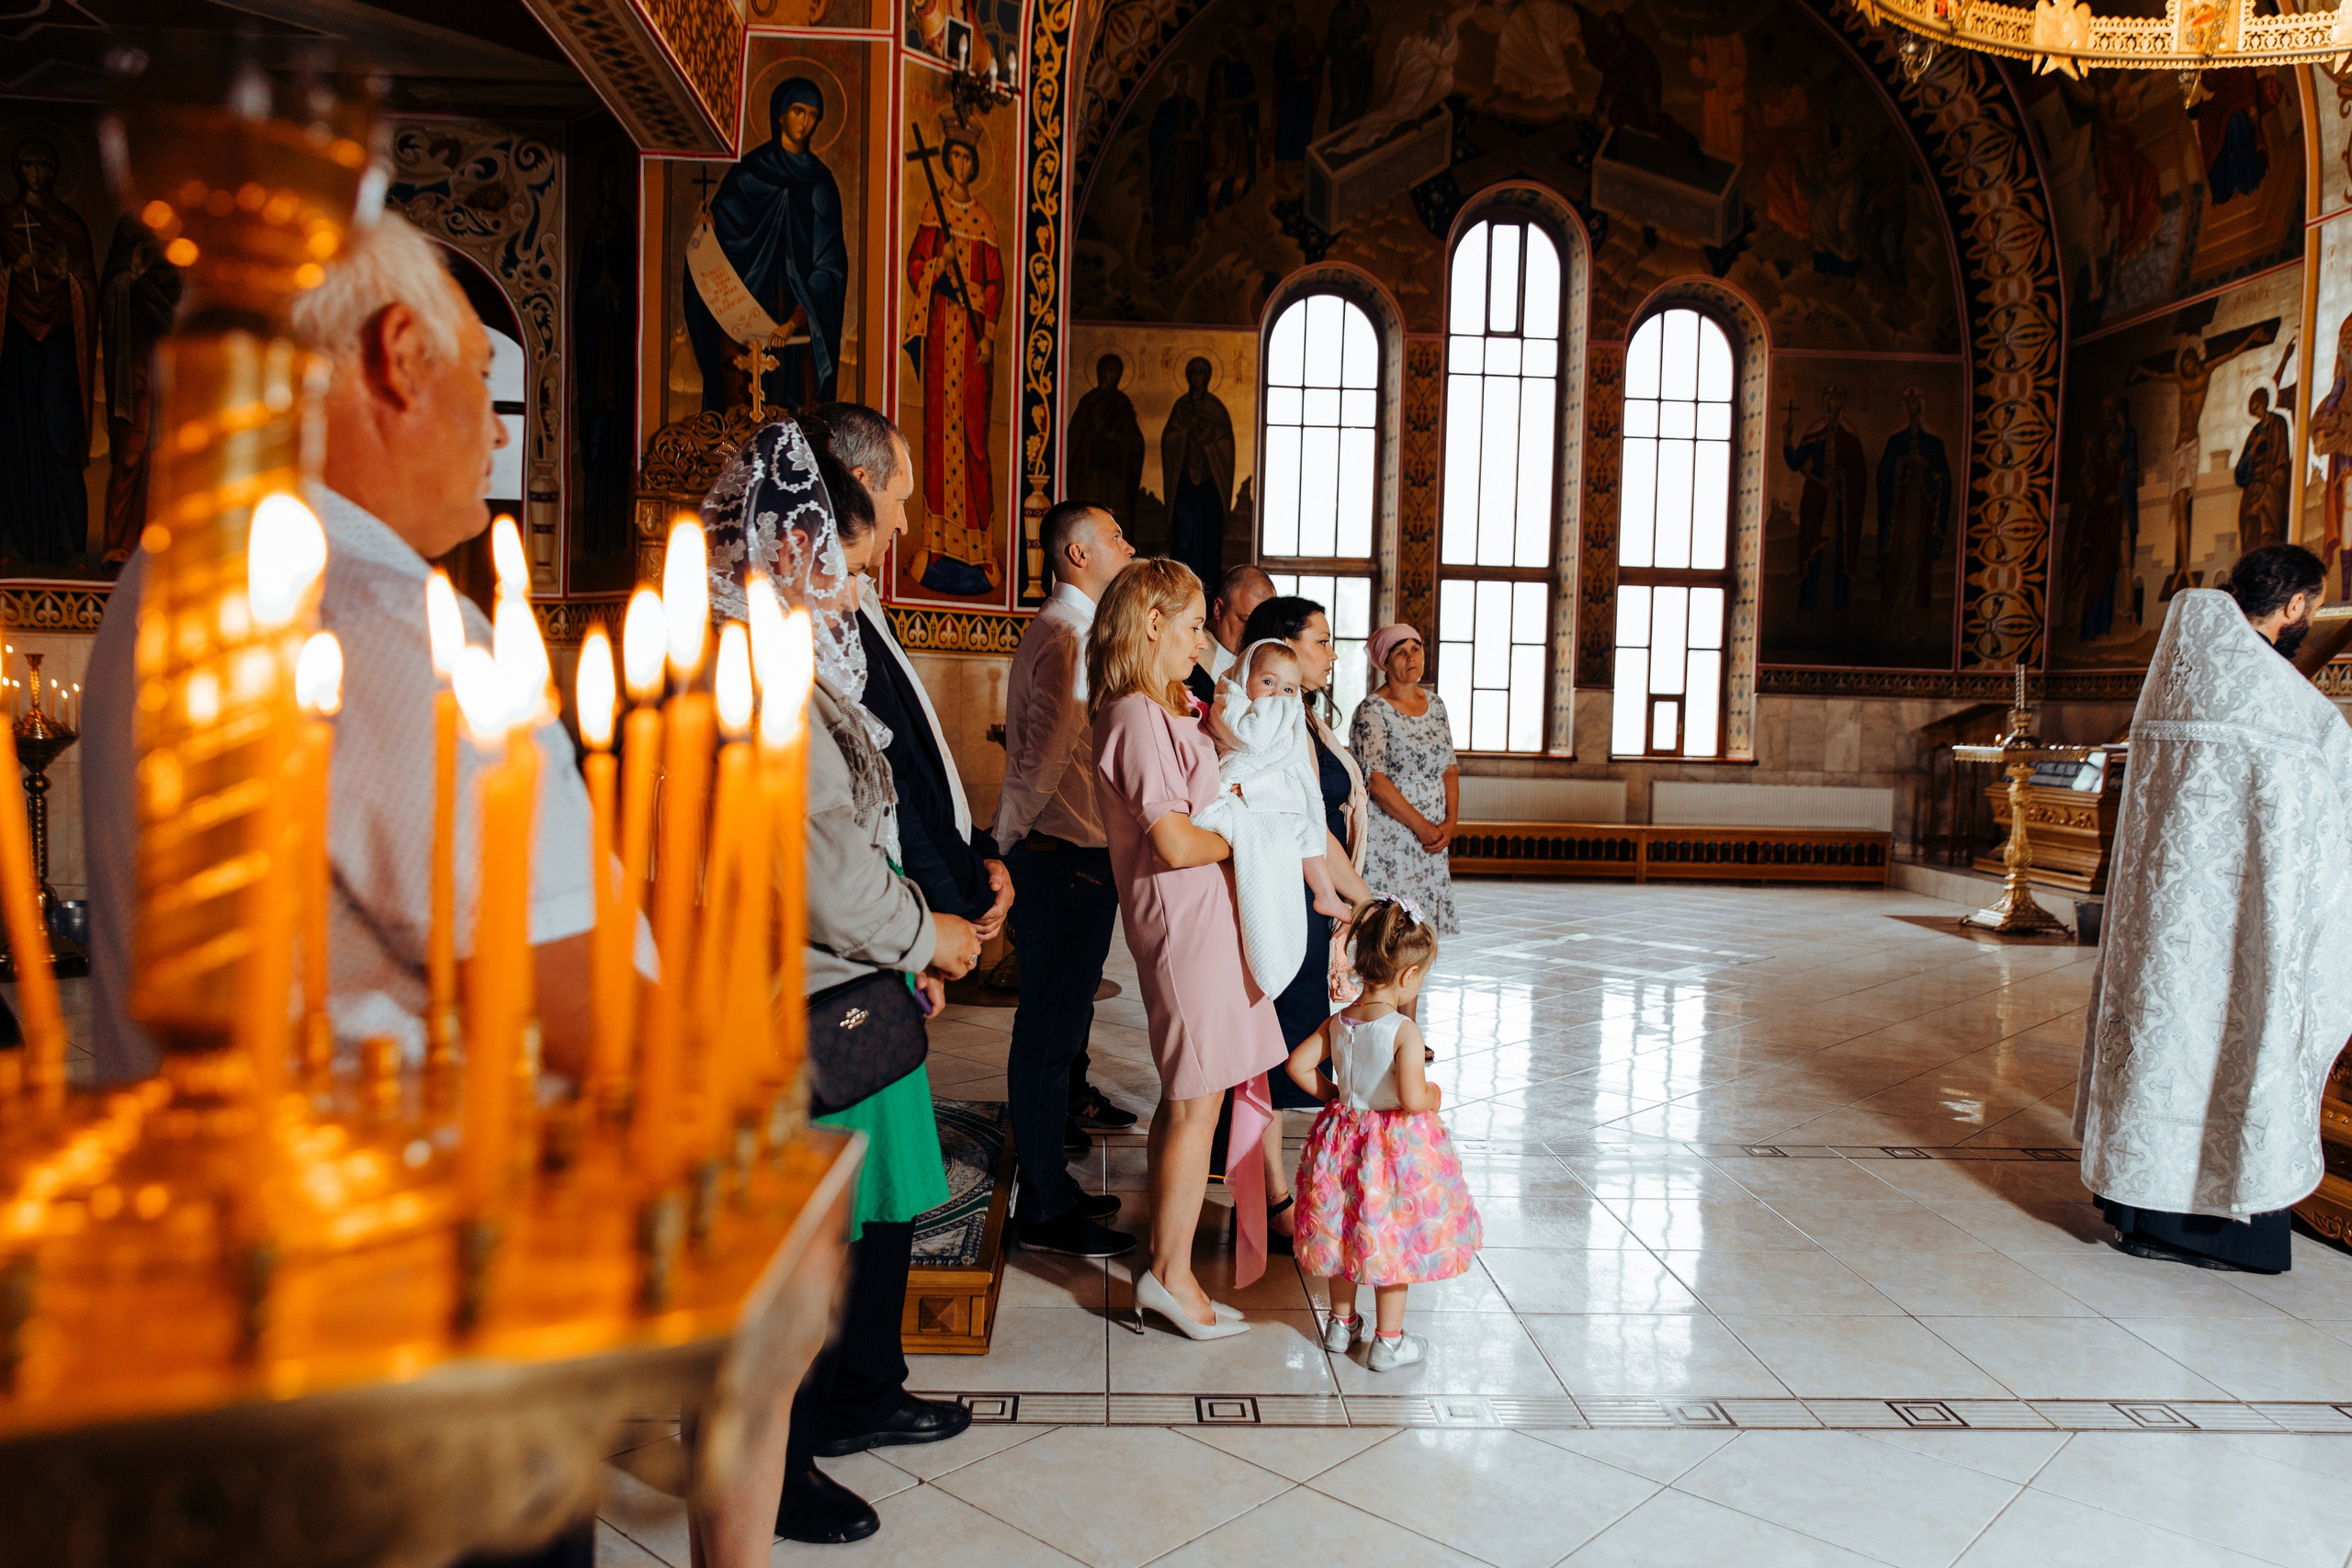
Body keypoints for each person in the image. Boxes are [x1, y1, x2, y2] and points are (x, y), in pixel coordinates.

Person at [78, 211, 619, 1568]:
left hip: (214, 1310)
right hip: (416, 1341)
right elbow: (601, 1023)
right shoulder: (391, 629)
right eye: (481, 396)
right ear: (394, 358)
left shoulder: (163, 578)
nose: (499, 440)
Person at [703, 415, 984, 1545]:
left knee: (855, 1217)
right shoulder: (765, 674)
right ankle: (787, 1461)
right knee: (805, 1238)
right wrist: (930, 937)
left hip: (843, 977)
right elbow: (824, 872)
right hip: (803, 989)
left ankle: (836, 1413)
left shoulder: (792, 657)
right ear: (802, 539)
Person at [2076, 542, 2352, 1275]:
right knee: (2225, 1053)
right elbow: (2330, 771)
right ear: (2294, 605)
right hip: (2230, 926)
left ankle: (2141, 1214)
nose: (2309, 619)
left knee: (2168, 1056)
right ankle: (2209, 1231)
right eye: (2312, 606)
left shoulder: (2183, 670)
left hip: (2163, 926)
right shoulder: (2276, 697)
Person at [1089, 559, 1285, 1336]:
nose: (1205, 637)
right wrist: (1247, 842)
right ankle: (1170, 1275)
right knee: (1195, 1095)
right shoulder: (1132, 715)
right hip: (1181, 920)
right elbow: (1173, 839)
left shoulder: (1166, 706)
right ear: (1151, 624)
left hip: (1207, 913)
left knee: (1193, 1094)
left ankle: (1166, 1268)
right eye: (1195, 622)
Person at [991, 501, 1140, 1258]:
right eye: (1115, 536)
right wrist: (1000, 844)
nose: (1128, 544)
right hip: (1058, 861)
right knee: (1049, 1033)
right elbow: (1041, 762)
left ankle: (1048, 1180)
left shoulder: (1073, 631)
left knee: (1060, 1025)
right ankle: (1044, 1204)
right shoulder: (1069, 636)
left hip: (1071, 859)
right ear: (1078, 554)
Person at [816, 402, 1013, 945]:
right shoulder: (824, 625)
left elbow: (923, 757)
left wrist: (978, 854)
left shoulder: (859, 596)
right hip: (878, 913)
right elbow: (892, 776)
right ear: (859, 485)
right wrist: (948, 911)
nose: (904, 523)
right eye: (899, 501)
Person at [1229, 595, 1374, 1250]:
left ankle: (1280, 1189)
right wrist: (1363, 898)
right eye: (1320, 640)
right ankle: (1272, 1199)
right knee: (1272, 1059)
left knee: (1289, 1051)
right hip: (1287, 902)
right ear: (1278, 647)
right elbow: (1306, 820)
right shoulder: (1272, 719)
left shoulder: (1303, 718)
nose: (1332, 653)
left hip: (1314, 897)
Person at [1288, 895, 1480, 1371]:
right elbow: (1413, 1097)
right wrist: (1433, 1095)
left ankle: (1339, 1323)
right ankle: (1388, 1342)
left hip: (1343, 1140)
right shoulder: (1403, 1031)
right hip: (1392, 1151)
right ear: (1408, 976)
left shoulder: (1340, 1020)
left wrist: (1335, 1092)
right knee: (1391, 1237)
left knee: (1345, 1230)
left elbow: (1297, 1064)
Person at [1196, 640, 1352, 995]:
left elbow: (1291, 754)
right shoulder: (1231, 701)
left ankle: (1325, 893)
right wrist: (1274, 709)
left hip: (1275, 789)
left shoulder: (1290, 709)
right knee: (1282, 835)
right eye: (1267, 683)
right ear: (1244, 676)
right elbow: (1252, 740)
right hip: (1244, 784)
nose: (1277, 696)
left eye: (1288, 689)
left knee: (1306, 828)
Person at [1350, 624, 1460, 940]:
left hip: (1433, 838)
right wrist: (1423, 826)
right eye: (1401, 651)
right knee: (1390, 930)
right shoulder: (1372, 710)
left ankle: (1411, 989)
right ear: (1385, 662)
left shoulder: (1436, 705)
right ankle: (1386, 987)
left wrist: (1449, 823)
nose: (1411, 656)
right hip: (1392, 835)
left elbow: (1449, 768)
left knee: (1421, 934)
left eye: (1417, 648)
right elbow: (1376, 781)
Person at [1184, 561, 1276, 705]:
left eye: (1263, 625)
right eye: (1246, 621)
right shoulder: (1188, 661)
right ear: (1218, 609)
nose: (1256, 632)